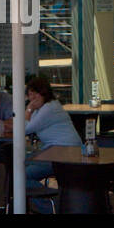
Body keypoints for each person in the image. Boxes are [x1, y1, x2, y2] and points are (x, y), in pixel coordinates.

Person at [23, 74, 82, 211]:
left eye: (35, 94)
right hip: (55, 152)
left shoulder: (49, 108)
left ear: (44, 93)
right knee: (18, 164)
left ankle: (52, 206)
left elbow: (25, 128)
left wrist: (28, 110)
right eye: (30, 95)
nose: (32, 99)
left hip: (65, 154)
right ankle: (54, 202)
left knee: (22, 176)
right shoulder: (45, 108)